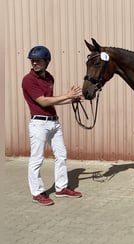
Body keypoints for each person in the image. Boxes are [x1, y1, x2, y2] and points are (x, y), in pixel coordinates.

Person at [22, 45, 83, 206]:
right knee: (37, 159)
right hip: (39, 124)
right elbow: (42, 101)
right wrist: (67, 94)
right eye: (33, 61)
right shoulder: (28, 80)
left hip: (53, 122)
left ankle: (61, 188)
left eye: (38, 61)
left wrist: (73, 99)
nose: (34, 63)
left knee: (61, 155)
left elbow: (52, 100)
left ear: (47, 61)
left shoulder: (49, 77)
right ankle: (37, 192)